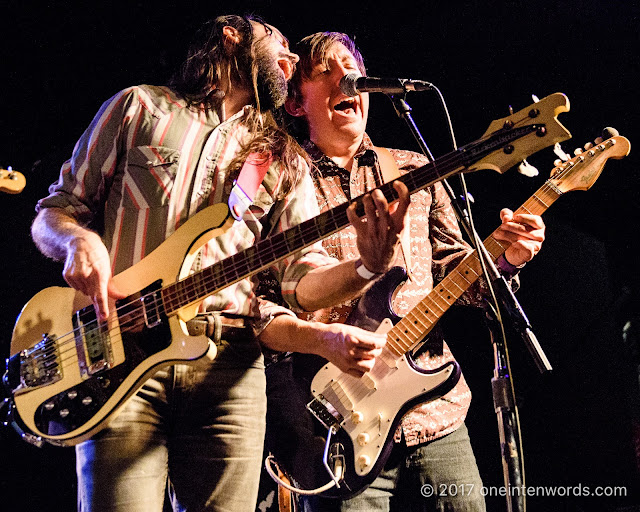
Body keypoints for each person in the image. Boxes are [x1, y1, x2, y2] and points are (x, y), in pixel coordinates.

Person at [30, 16, 410, 512]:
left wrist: (366, 265)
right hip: (120, 355)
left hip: (229, 367)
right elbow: (55, 211)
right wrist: (78, 243)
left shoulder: (280, 158)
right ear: (233, 36)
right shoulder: (139, 107)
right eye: (279, 43)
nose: (291, 60)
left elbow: (300, 281)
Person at [258, 32, 546, 512]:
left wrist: (505, 257)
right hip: (336, 425)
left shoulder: (414, 170)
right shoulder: (281, 184)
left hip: (436, 414)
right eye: (324, 71)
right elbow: (262, 299)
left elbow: (459, 274)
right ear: (294, 103)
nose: (344, 79)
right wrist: (324, 339)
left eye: (351, 69)